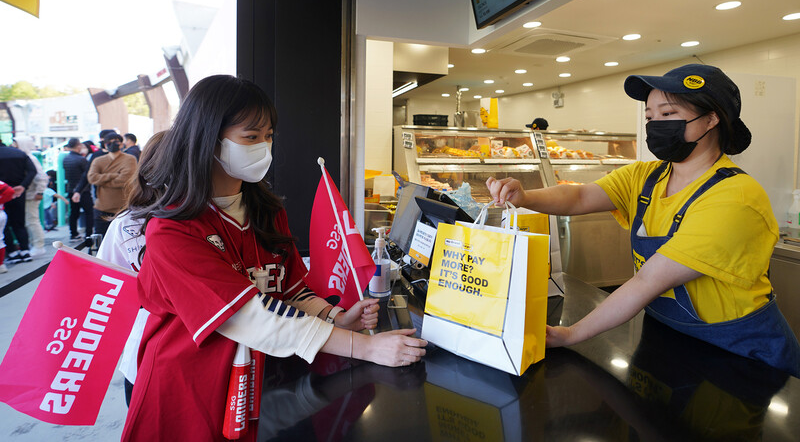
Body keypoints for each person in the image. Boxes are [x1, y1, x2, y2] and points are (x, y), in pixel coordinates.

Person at [121, 75, 426, 441]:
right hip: (188, 385)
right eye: (251, 137)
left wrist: (335, 316)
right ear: (207, 138)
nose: (264, 148)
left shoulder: (265, 210)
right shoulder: (174, 230)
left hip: (255, 382)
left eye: (268, 136)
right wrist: (368, 347)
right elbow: (250, 315)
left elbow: (291, 291)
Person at [487, 64, 800, 377]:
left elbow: (648, 280)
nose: (655, 125)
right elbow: (580, 197)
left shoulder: (735, 196)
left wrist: (571, 334)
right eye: (650, 116)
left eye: (667, 114)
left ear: (712, 117)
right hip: (670, 338)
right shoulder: (647, 175)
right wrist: (525, 198)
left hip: (742, 358)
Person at [95, 130, 168, 407]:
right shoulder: (127, 223)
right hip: (144, 353)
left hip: (209, 356)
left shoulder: (217, 217)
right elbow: (108, 286)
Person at [87, 132, 137, 236]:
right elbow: (91, 178)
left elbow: (126, 179)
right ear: (105, 145)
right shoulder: (98, 160)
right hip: (102, 207)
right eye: (109, 142)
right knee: (100, 239)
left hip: (124, 207)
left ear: (121, 144)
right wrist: (114, 175)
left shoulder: (130, 159)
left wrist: (102, 180)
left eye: (116, 142)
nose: (112, 144)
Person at [12, 136, 49, 257]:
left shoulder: (30, 158)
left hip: (31, 195)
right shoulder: (25, 157)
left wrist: (39, 192)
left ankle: (39, 245)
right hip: (28, 194)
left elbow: (41, 177)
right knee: (29, 220)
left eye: (15, 144)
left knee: (32, 220)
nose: (13, 146)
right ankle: (36, 245)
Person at [0, 142, 36, 263]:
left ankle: (12, 253)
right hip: (19, 192)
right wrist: (23, 186)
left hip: (2, 193)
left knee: (4, 225)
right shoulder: (20, 153)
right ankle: (25, 251)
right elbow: (32, 171)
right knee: (19, 222)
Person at [63, 138, 94, 242]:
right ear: (78, 146)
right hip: (83, 190)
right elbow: (86, 176)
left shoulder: (66, 159)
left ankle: (73, 233)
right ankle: (88, 234)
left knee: (73, 213)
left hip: (71, 189)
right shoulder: (81, 159)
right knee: (89, 212)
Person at [0, 180, 17, 273]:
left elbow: (10, 192)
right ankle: (1, 265)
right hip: (1, 212)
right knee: (0, 239)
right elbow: (10, 191)